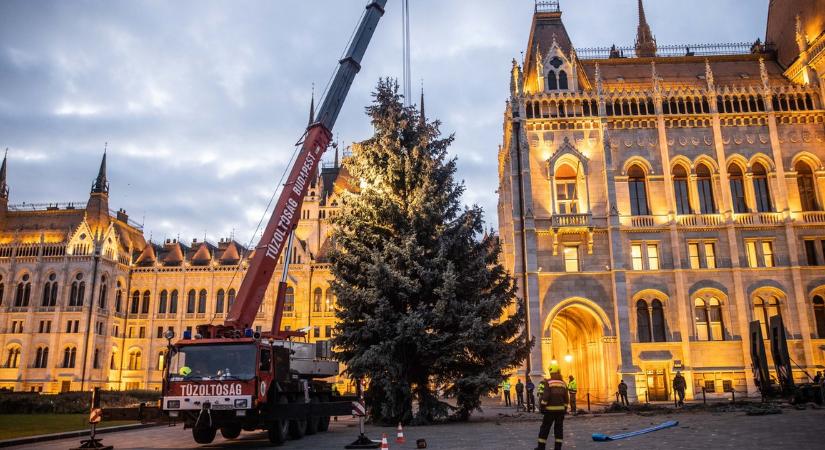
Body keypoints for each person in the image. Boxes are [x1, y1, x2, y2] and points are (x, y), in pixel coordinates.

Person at [535, 362, 569, 450]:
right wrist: (564, 409)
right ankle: (558, 448)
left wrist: (542, 407)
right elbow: (566, 399)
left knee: (545, 429)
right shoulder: (563, 383)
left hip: (549, 411)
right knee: (558, 430)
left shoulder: (548, 382)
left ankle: (541, 447)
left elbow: (545, 397)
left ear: (550, 372)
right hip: (560, 411)